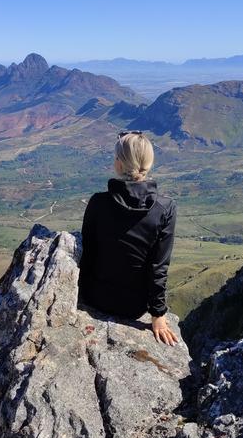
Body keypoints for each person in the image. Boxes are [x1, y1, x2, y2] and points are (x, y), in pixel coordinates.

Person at [77, 130, 179, 346]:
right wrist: (158, 315)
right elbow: (158, 266)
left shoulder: (98, 203)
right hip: (135, 307)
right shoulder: (165, 208)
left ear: (120, 165)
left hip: (96, 298)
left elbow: (88, 254)